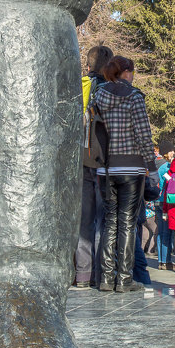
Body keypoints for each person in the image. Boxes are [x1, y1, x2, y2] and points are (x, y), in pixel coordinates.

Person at [94, 56, 158, 292]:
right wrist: (152, 169)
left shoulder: (98, 95)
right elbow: (143, 135)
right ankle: (124, 279)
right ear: (126, 72)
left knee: (111, 221)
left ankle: (106, 278)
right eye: (132, 71)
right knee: (128, 223)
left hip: (106, 167)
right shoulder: (134, 97)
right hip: (132, 167)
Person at [74, 44, 113, 289]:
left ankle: (82, 274)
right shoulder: (111, 90)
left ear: (87, 66)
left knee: (83, 222)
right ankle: (102, 273)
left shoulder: (77, 87)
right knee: (103, 221)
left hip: (79, 161)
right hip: (104, 161)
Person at [155, 144, 175, 270]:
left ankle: (161, 260)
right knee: (167, 232)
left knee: (160, 232)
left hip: (157, 201)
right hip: (165, 202)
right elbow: (170, 182)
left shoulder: (160, 167)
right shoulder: (167, 167)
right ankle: (166, 260)